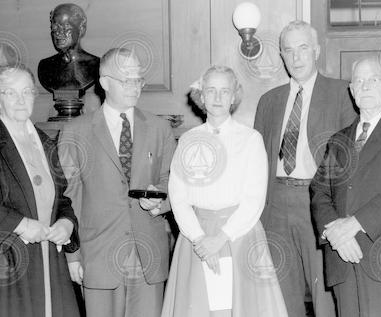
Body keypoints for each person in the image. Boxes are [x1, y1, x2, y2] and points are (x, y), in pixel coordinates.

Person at [162, 65, 288, 317]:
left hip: (239, 236)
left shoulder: (250, 139)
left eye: (224, 91)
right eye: (211, 90)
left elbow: (254, 198)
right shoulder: (188, 140)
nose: (217, 98)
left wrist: (220, 239)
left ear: (233, 97)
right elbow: (178, 195)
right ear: (202, 96)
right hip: (196, 239)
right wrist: (199, 240)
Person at [58, 47, 176, 317]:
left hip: (148, 254)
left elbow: (171, 182)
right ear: (104, 82)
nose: (135, 87)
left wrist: (161, 202)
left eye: (139, 80)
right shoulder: (75, 132)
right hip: (98, 256)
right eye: (127, 80)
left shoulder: (160, 129)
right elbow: (68, 198)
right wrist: (73, 256)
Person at [254, 20, 357, 317]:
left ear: (316, 51)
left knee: (326, 297)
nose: (296, 57)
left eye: (303, 49)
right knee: (280, 296)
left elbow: (352, 161)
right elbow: (256, 162)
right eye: (289, 51)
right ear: (282, 56)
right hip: (274, 205)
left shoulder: (342, 94)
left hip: (319, 205)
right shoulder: (268, 101)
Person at [310, 56, 381, 317]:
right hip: (343, 259)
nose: (365, 86)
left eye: (373, 79)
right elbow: (319, 191)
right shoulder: (339, 140)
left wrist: (355, 223)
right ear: (351, 91)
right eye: (358, 81)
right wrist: (336, 233)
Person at [0, 64, 80, 317]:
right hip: (8, 261)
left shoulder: (45, 141)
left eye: (27, 92)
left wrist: (67, 224)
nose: (21, 100)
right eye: (10, 93)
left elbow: (63, 199)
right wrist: (21, 224)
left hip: (49, 260)